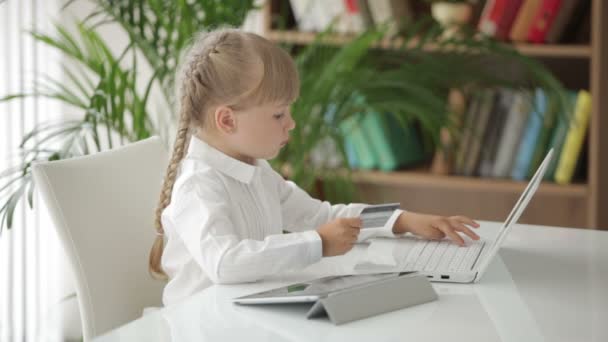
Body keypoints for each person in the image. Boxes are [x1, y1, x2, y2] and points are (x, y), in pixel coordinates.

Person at [149, 28, 480, 306]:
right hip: (204, 326)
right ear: (226, 120)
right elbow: (225, 263)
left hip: (246, 316)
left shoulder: (256, 172)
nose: (290, 124)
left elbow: (322, 217)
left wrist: (402, 221)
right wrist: (316, 244)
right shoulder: (198, 185)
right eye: (279, 114)